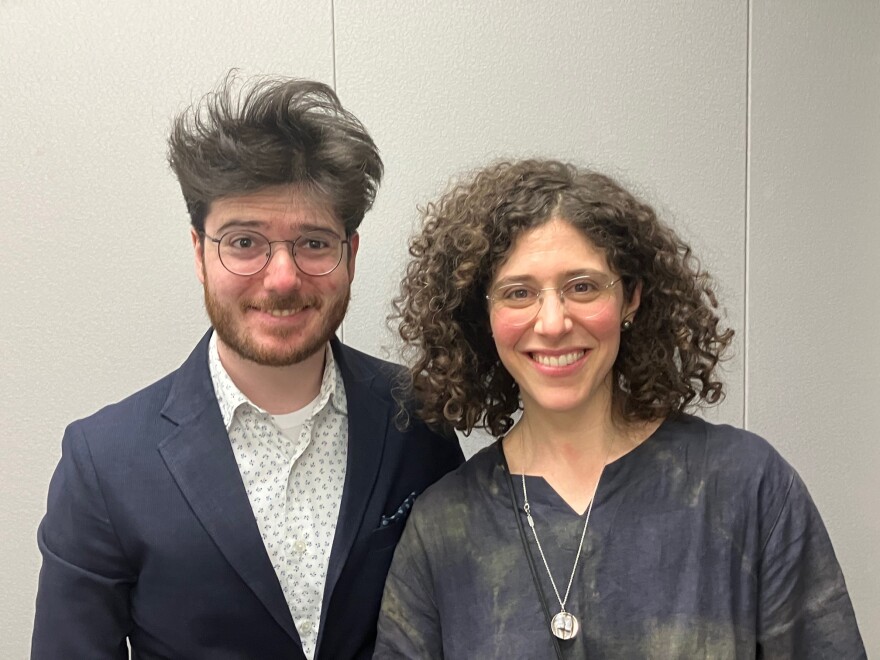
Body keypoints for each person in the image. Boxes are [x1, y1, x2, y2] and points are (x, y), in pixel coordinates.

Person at [31, 73, 463, 660]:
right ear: (199, 253)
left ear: (351, 255)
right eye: (243, 242)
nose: (282, 277)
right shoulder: (103, 463)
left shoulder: (418, 416)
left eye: (313, 243)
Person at [374, 159, 865, 658]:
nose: (552, 321)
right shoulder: (442, 529)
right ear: (485, 315)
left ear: (631, 298)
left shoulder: (747, 487)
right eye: (518, 293)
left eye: (582, 286)